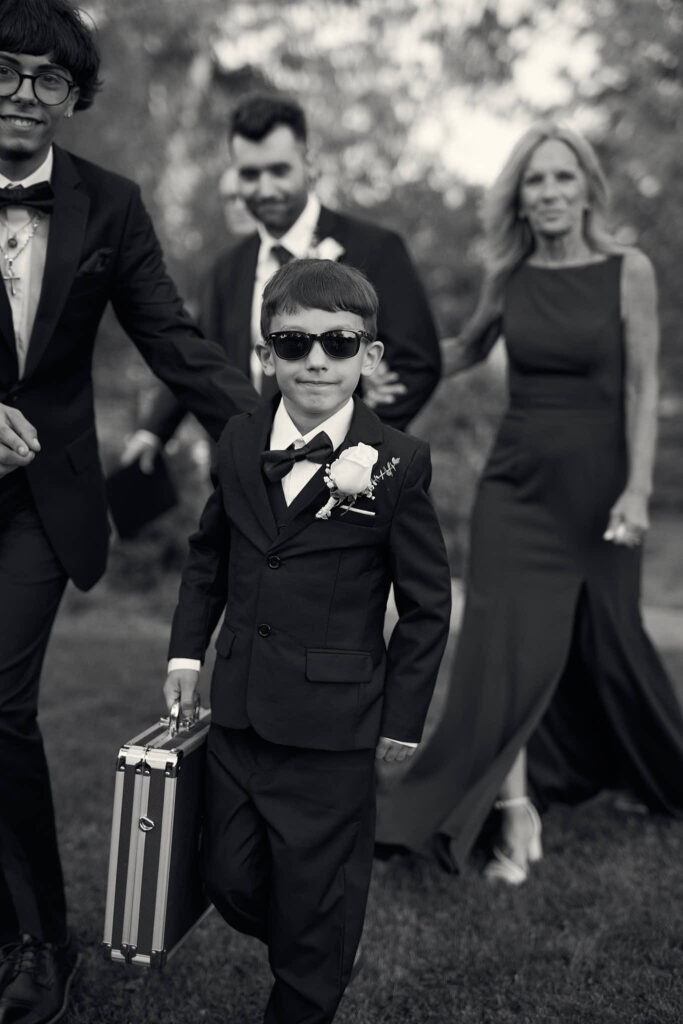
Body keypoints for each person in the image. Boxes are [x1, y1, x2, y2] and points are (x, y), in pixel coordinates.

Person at [0, 3, 259, 1021]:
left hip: (44, 499)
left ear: (74, 98)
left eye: (48, 79)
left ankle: (36, 942)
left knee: (0, 702)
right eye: (5, 70)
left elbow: (173, 339)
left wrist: (278, 431)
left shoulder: (109, 204)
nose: (23, 93)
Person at [374, 122, 683, 885]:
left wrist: (637, 488)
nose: (547, 192)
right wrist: (375, 370)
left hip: (600, 493)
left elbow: (642, 386)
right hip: (514, 490)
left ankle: (636, 767)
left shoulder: (627, 270)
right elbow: (463, 350)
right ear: (518, 198)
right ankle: (514, 814)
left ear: (586, 190)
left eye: (561, 177)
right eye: (534, 181)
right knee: (498, 651)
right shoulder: (509, 275)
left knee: (610, 641)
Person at [163, 258, 452, 1024]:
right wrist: (187, 654)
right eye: (293, 343)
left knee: (315, 887)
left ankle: (310, 974)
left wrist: (401, 716)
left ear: (370, 355)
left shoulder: (397, 462)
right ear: (266, 354)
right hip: (239, 711)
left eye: (338, 342)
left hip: (333, 726)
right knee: (227, 876)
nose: (316, 360)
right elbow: (208, 557)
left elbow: (426, 605)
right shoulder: (238, 440)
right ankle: (317, 939)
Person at [123, 91, 440, 471]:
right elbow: (200, 355)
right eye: (250, 175)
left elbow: (417, 365)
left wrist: (348, 451)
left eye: (279, 171)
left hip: (350, 477)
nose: (265, 189)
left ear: (309, 163)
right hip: (246, 472)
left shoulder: (375, 249)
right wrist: (153, 431)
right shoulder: (226, 269)